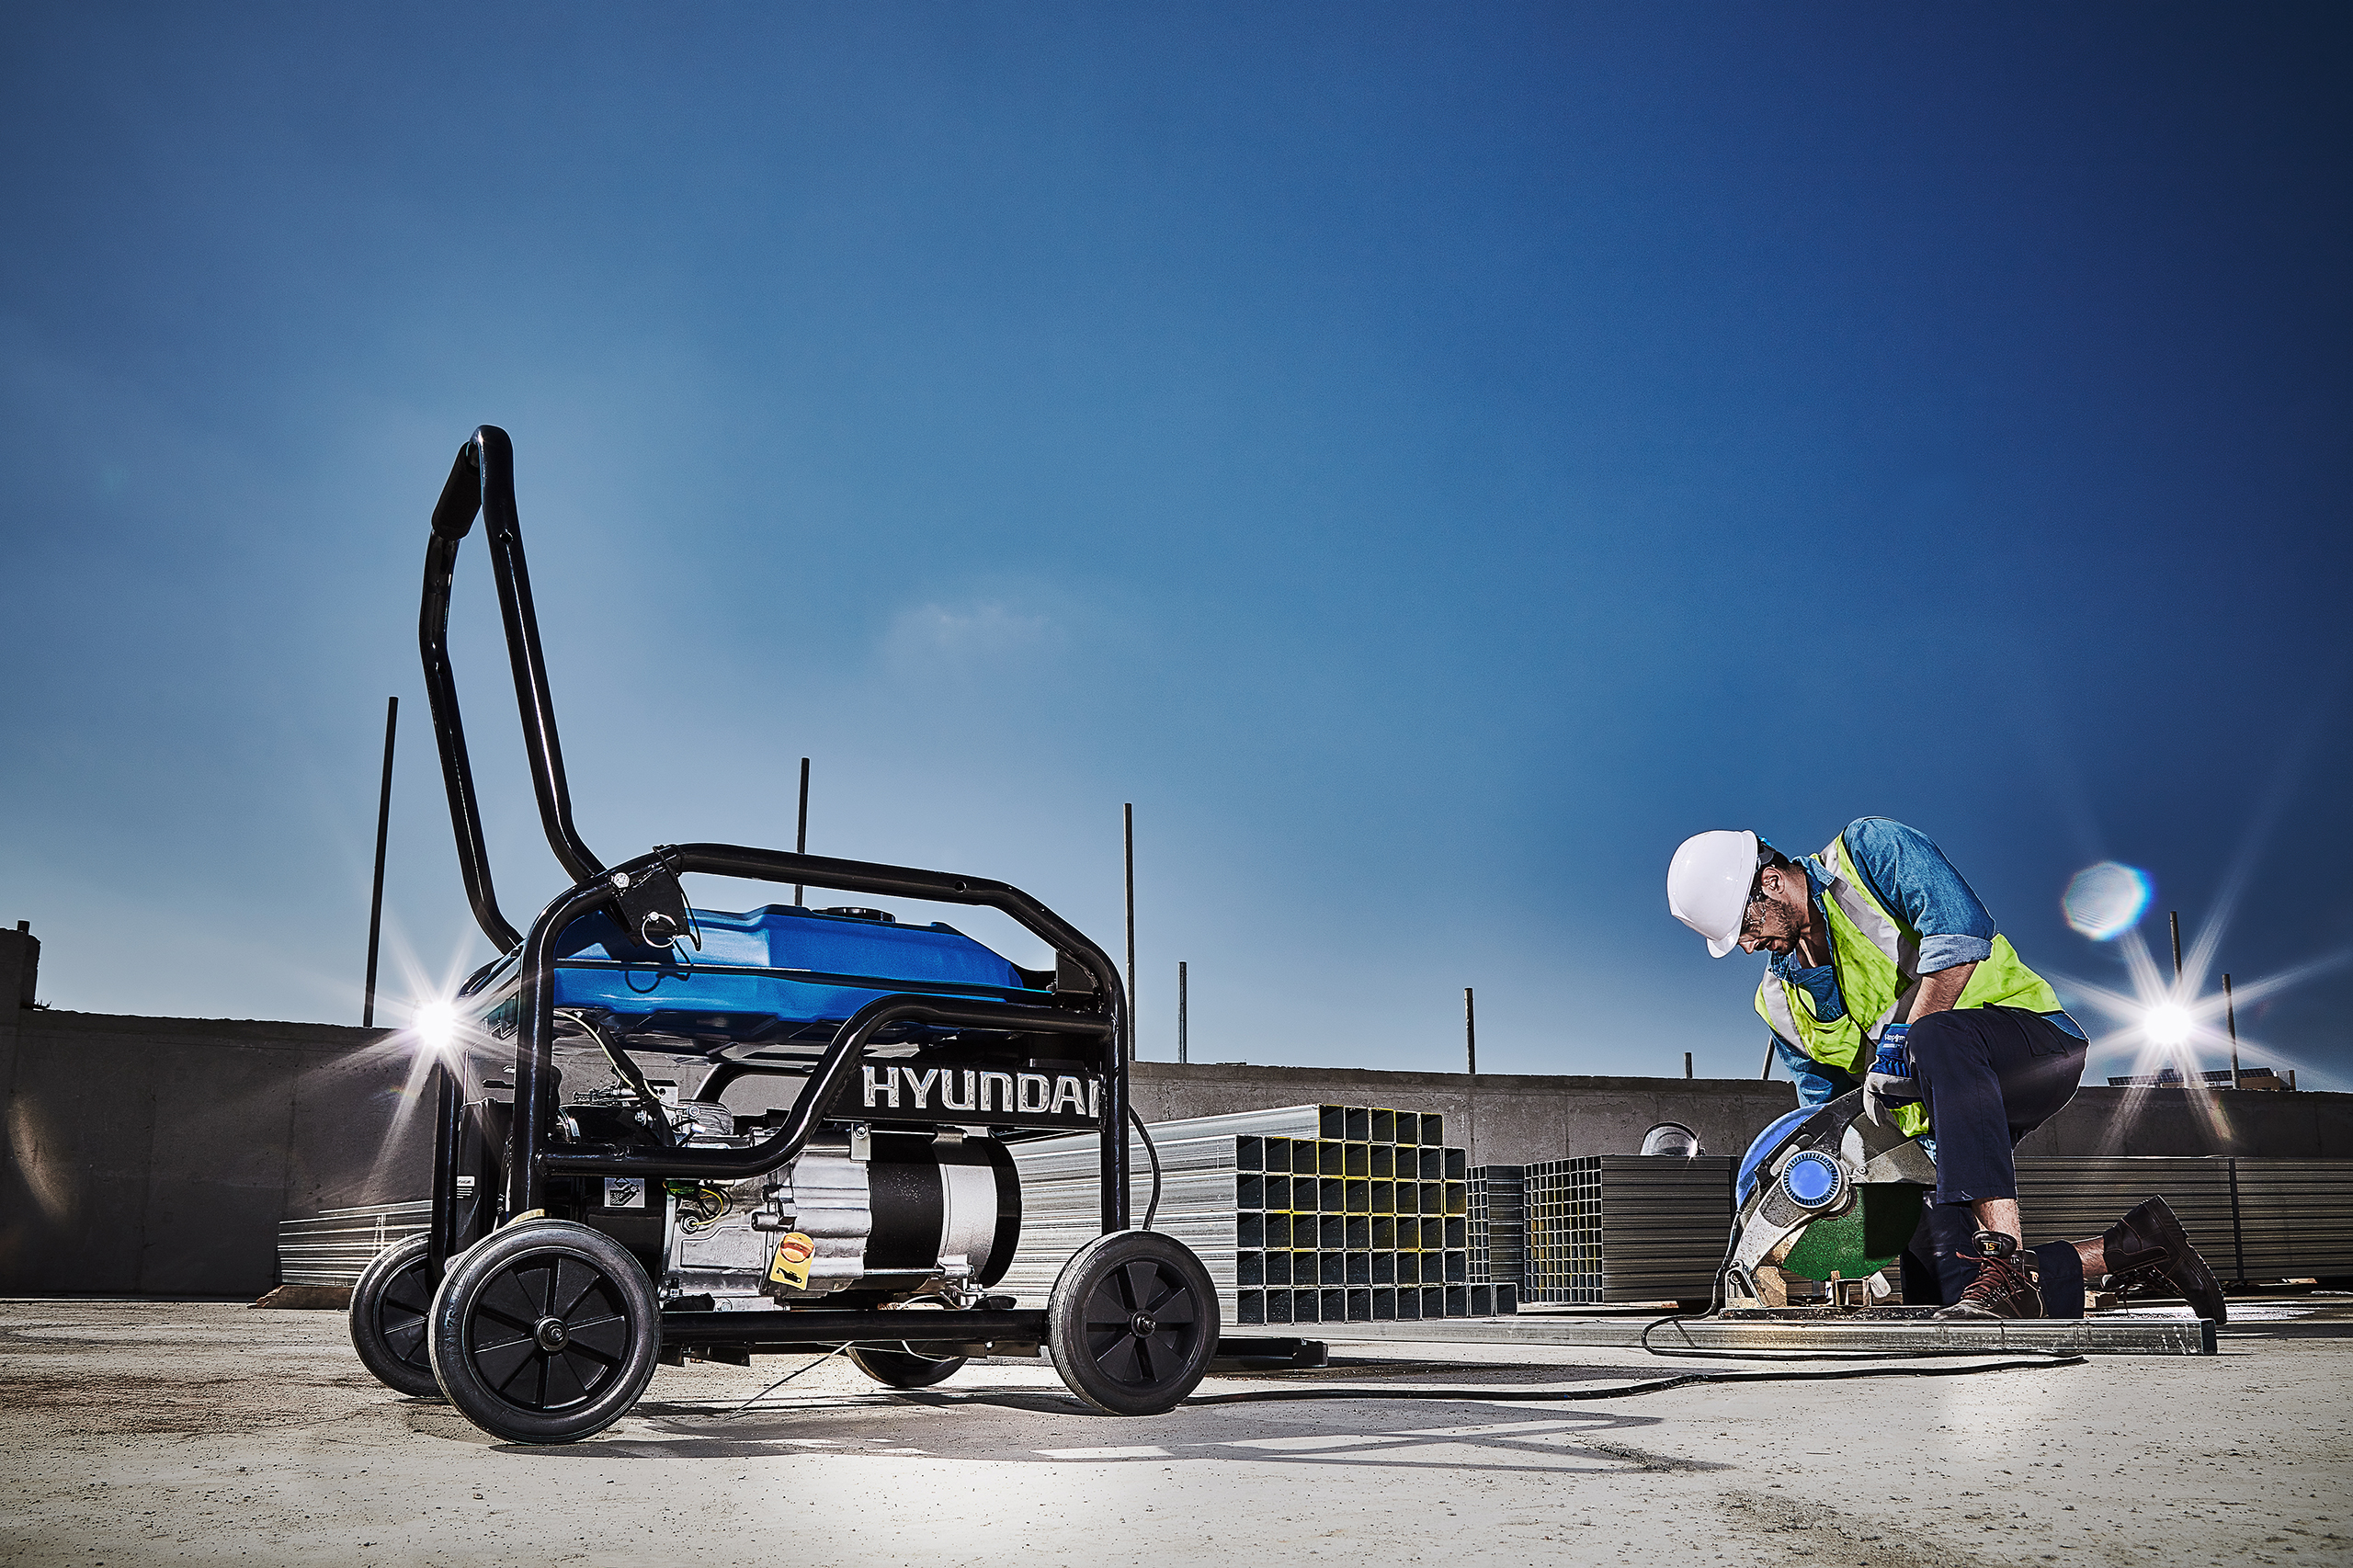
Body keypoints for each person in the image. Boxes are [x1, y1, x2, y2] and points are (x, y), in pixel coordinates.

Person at [1665, 818, 2226, 1323]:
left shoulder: (1865, 855)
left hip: (2028, 1049)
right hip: (1940, 1123)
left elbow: (1960, 934)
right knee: (1950, 1302)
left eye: (1743, 927)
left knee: (1936, 1037)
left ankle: (2003, 1255)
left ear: (1770, 883)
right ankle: (2135, 1246)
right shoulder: (1778, 998)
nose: (1744, 946)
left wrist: (1907, 1034)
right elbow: (1826, 1113)